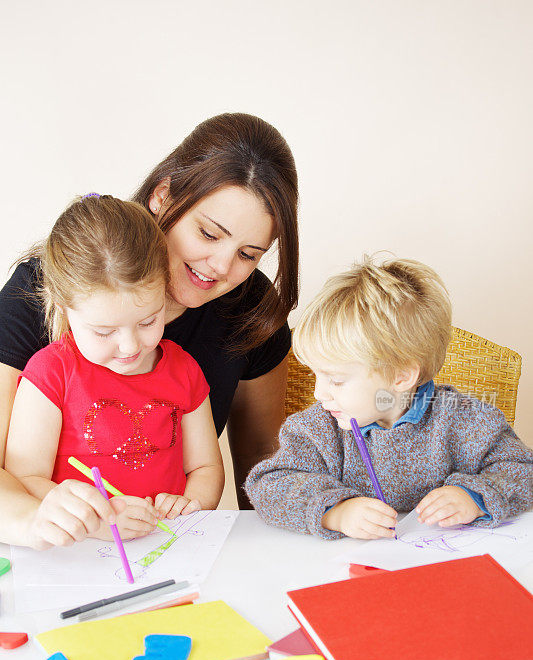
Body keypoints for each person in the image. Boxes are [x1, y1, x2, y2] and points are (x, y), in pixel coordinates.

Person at [0, 113, 298, 548]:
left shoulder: (251, 309)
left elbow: (260, 472)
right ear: (163, 197)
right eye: (208, 233)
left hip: (167, 551)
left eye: (249, 254)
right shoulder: (41, 290)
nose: (221, 268)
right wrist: (40, 521)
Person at [245, 257, 533, 539]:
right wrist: (336, 512)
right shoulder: (316, 429)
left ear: (401, 377)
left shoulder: (466, 420)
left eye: (336, 380)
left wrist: (472, 497)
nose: (319, 393)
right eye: (315, 375)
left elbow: (523, 470)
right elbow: (267, 487)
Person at [5, 195, 224, 547]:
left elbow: (206, 469)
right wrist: (96, 520)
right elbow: (25, 477)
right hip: (79, 551)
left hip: (167, 546)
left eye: (149, 320)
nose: (130, 346)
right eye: (104, 332)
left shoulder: (184, 370)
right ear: (64, 308)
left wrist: (191, 503)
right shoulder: (50, 373)